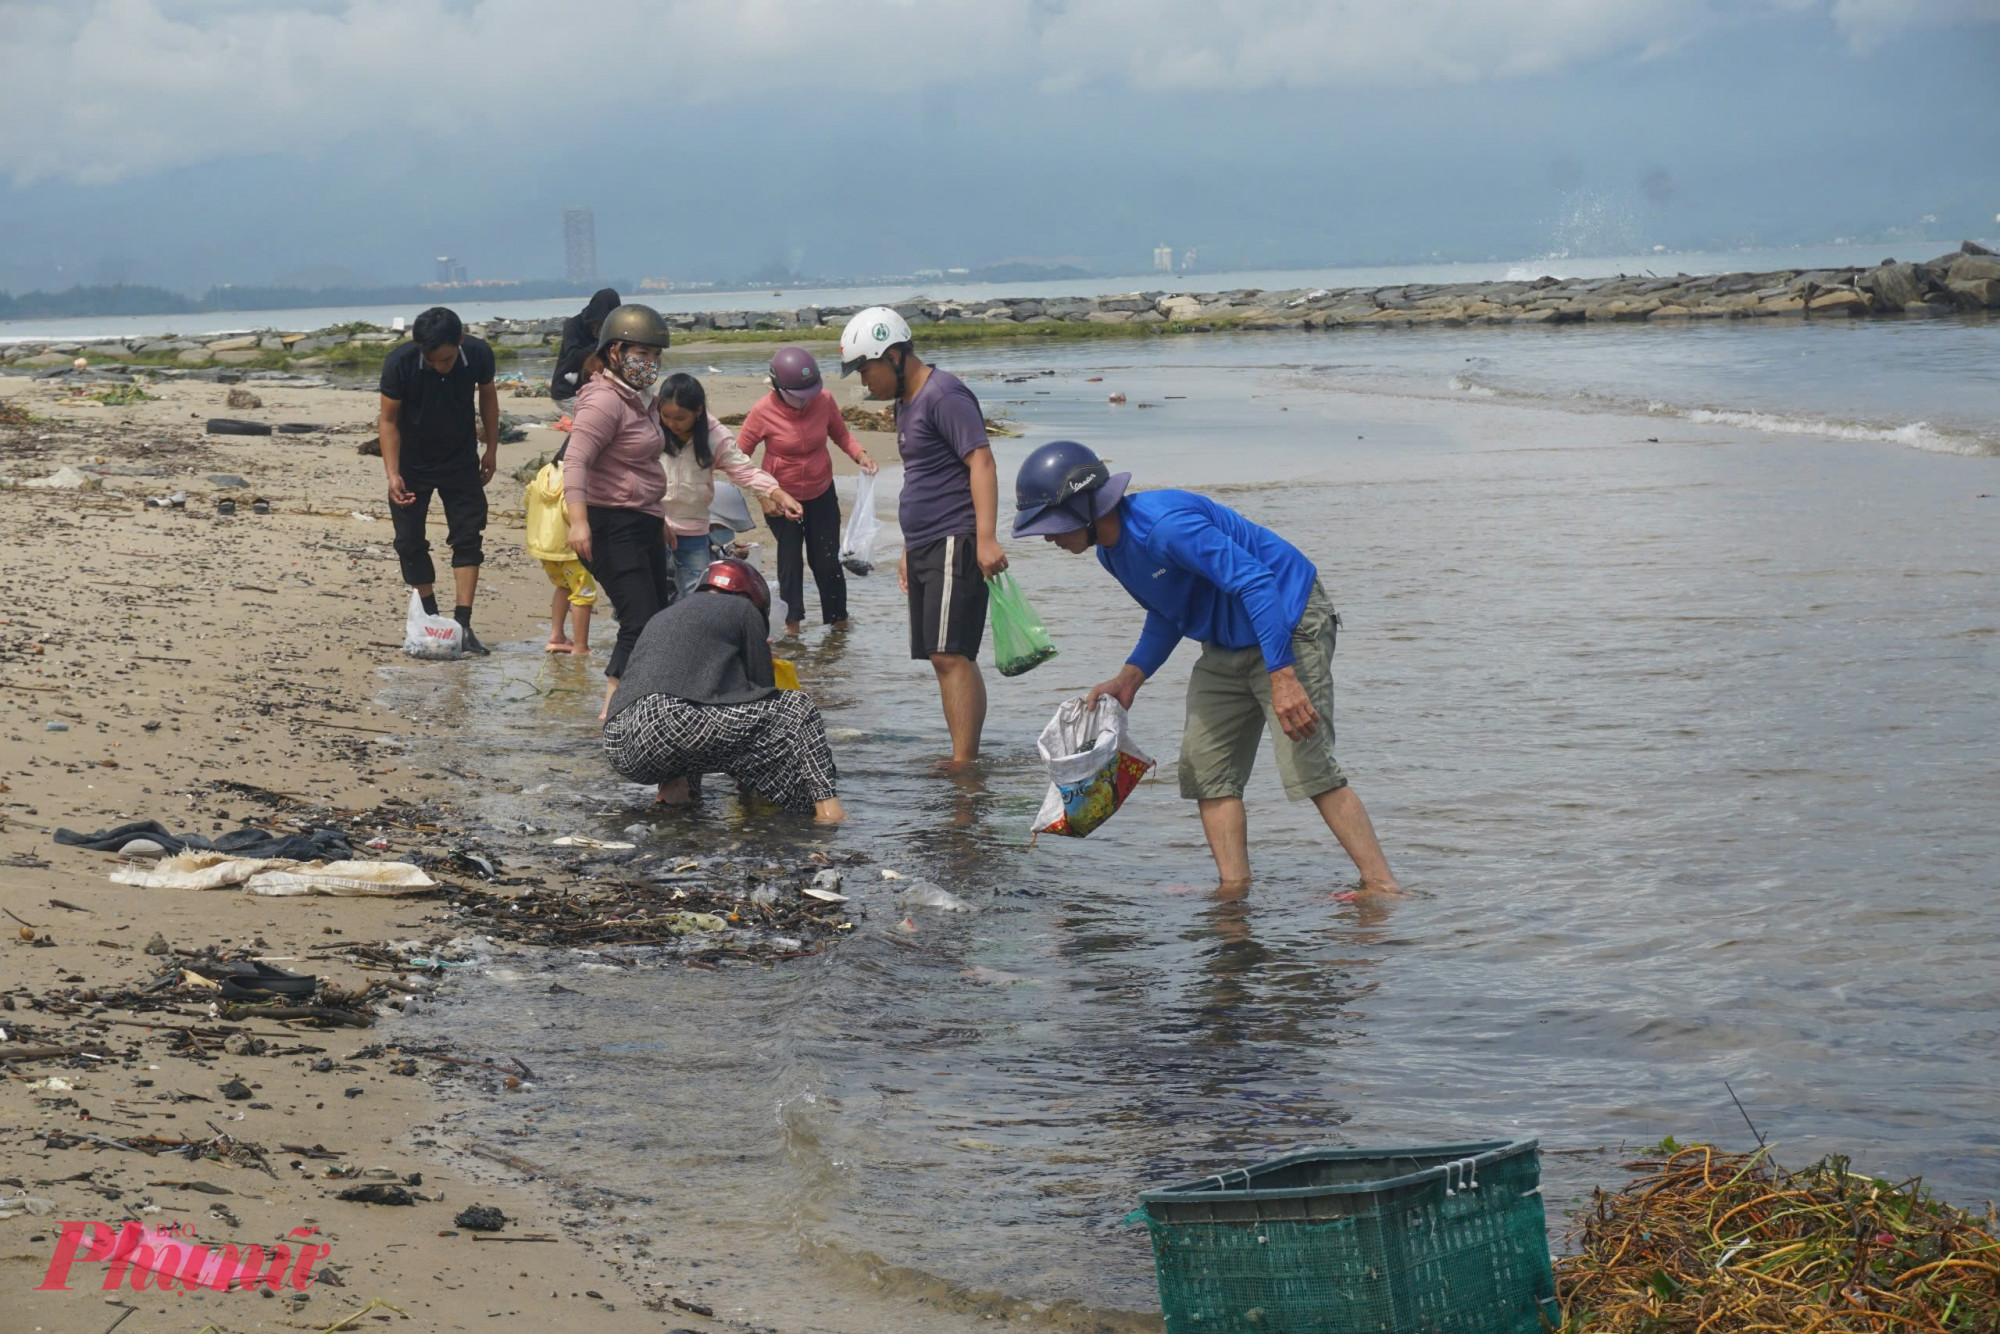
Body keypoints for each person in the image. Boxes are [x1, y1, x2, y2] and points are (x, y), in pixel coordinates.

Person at [1012, 440, 1402, 898]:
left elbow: (1257, 582)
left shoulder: (1166, 527)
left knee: (1309, 766)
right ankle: (1233, 891)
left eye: (1052, 525)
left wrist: (1283, 675)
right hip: (1226, 640)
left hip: (1290, 623)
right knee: (1206, 770)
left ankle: (1382, 886)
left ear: (1084, 506)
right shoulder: (1111, 553)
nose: (1049, 538)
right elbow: (1169, 611)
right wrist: (1130, 678)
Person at [839, 306, 1005, 765]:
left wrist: (986, 538)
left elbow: (982, 462)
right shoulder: (905, 404)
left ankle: (964, 762)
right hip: (928, 542)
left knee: (950, 654)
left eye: (865, 368)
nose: (863, 381)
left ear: (893, 355)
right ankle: (964, 756)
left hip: (956, 536)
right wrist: (910, 548)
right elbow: (922, 476)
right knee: (944, 656)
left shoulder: (944, 394)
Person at [600, 557, 846, 823]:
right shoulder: (742, 608)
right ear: (750, 594)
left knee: (693, 706)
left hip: (619, 740)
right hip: (668, 720)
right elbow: (762, 688)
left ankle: (675, 795)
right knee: (799, 707)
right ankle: (829, 811)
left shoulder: (666, 613)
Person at [562, 303, 675, 716]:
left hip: (642, 522)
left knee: (657, 620)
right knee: (640, 619)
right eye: (641, 354)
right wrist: (578, 523)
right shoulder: (604, 401)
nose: (651, 363)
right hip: (608, 525)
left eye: (656, 355)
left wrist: (658, 518)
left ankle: (642, 705)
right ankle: (612, 710)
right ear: (615, 352)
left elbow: (640, 467)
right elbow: (575, 461)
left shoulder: (639, 399)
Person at [378, 306, 498, 655]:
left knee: (468, 536)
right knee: (409, 540)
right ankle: (432, 620)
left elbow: (488, 397)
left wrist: (491, 448)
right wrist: (393, 474)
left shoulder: (477, 353)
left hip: (461, 459)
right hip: (412, 463)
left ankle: (462, 624)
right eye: (431, 361)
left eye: (445, 360)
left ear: (459, 341)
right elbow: (387, 421)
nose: (439, 366)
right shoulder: (399, 362)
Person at [734, 347, 878, 636]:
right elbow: (738, 457)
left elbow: (840, 433)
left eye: (808, 393)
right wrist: (763, 496)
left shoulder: (823, 400)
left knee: (826, 560)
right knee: (790, 563)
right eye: (798, 394)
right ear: (778, 386)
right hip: (781, 500)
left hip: (821, 492)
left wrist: (860, 454)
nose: (805, 400)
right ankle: (793, 630)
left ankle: (839, 624)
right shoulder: (763, 411)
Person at [656, 372, 800, 596]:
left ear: (698, 411)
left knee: (696, 596)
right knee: (653, 593)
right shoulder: (651, 428)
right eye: (665, 416)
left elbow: (744, 470)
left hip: (693, 530)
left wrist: (777, 493)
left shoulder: (716, 437)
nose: (672, 424)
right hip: (654, 524)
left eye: (680, 418)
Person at [524, 449, 595, 654]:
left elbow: (528, 497)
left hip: (544, 546)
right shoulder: (577, 475)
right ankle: (581, 646)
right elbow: (570, 509)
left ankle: (557, 636)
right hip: (571, 548)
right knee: (583, 593)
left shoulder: (546, 470)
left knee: (563, 586)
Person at [551, 288, 620, 414]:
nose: (601, 326)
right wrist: (602, 342)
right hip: (568, 391)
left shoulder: (613, 330)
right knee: (594, 421)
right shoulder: (574, 326)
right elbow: (573, 358)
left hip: (595, 389)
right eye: (600, 322)